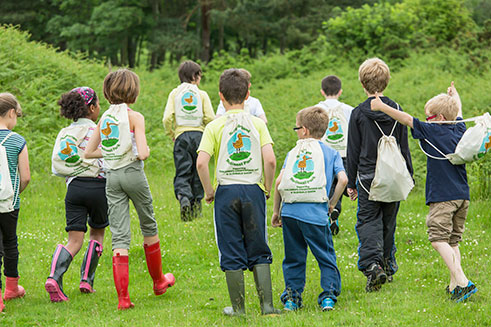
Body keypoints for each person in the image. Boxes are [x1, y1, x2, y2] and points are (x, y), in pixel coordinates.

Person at [370, 81, 477, 302]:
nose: (425, 120)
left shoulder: (433, 130)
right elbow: (459, 111)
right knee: (453, 241)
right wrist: (455, 96)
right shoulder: (458, 128)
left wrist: (382, 107)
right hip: (462, 196)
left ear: (438, 118)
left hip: (443, 196)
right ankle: (454, 285)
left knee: (438, 239)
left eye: (428, 116)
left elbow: (407, 119)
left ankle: (463, 281)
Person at [85, 69, 175, 310]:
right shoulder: (135, 117)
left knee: (120, 234)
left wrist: (113, 151)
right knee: (148, 225)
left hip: (112, 178)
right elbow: (143, 152)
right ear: (133, 92)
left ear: (107, 92)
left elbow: (89, 152)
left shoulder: (104, 119)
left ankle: (123, 298)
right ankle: (158, 281)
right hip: (134, 174)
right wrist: (132, 150)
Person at [196, 68, 279, 316]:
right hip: (253, 189)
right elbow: (271, 160)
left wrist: (209, 191)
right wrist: (266, 184)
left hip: (226, 192)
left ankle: (239, 309)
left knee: (230, 246)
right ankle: (267, 306)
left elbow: (201, 162)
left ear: (220, 96)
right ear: (248, 95)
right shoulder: (258, 124)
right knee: (258, 245)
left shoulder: (214, 126)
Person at [346, 58, 413, 292]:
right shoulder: (397, 110)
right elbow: (404, 146)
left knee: (368, 221)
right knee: (388, 222)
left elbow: (352, 150)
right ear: (387, 81)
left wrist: (351, 181)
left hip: (367, 177)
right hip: (393, 176)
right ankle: (387, 263)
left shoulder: (358, 114)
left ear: (362, 84)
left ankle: (373, 266)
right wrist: (409, 175)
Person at [272, 106, 347, 312]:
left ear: (304, 130)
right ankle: (328, 297)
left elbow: (279, 181)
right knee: (325, 256)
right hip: (315, 215)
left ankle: (292, 299)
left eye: (297, 128)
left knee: (294, 257)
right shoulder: (331, 153)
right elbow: (343, 179)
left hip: (290, 213)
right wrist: (332, 203)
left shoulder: (293, 152)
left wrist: (276, 212)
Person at [45, 87, 108, 302]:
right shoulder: (98, 129)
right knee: (97, 234)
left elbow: (56, 167)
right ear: (91, 108)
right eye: (98, 104)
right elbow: (107, 158)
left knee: (74, 240)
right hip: (99, 188)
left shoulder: (65, 133)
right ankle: (86, 281)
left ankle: (54, 277)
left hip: (74, 190)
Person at [163, 60, 215, 221]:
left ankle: (184, 198)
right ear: (194, 76)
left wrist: (172, 133)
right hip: (199, 136)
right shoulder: (202, 94)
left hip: (181, 136)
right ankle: (196, 206)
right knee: (198, 171)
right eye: (199, 75)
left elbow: (167, 118)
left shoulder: (174, 93)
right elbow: (210, 118)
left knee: (183, 171)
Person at [0, 93, 30, 312]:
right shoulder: (17, 140)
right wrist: (15, 194)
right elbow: (26, 176)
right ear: (11, 113)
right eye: (17, 115)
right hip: (9, 203)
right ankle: (11, 289)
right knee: (10, 242)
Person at [316, 75, 353, 234]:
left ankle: (328, 214)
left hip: (324, 153)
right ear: (340, 91)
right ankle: (336, 209)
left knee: (327, 185)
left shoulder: (316, 109)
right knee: (342, 183)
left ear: (322, 92)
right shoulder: (349, 109)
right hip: (343, 154)